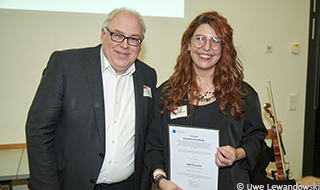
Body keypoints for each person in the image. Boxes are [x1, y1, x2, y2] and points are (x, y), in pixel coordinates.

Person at [25, 7, 157, 190]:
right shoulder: (66, 65)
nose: (125, 45)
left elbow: (146, 137)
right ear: (103, 34)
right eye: (118, 35)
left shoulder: (148, 76)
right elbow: (38, 130)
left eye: (133, 38)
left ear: (140, 43)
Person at [145, 11, 267, 190]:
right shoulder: (166, 94)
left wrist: (238, 153)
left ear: (224, 48)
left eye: (215, 41)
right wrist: (161, 180)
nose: (206, 47)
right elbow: (153, 146)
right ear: (188, 43)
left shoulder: (242, 94)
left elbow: (256, 138)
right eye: (200, 38)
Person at [250, 122, 320, 187]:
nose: (261, 120)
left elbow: (271, 156)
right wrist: (298, 183)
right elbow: (260, 184)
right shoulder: (245, 147)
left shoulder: (255, 140)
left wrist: (275, 135)